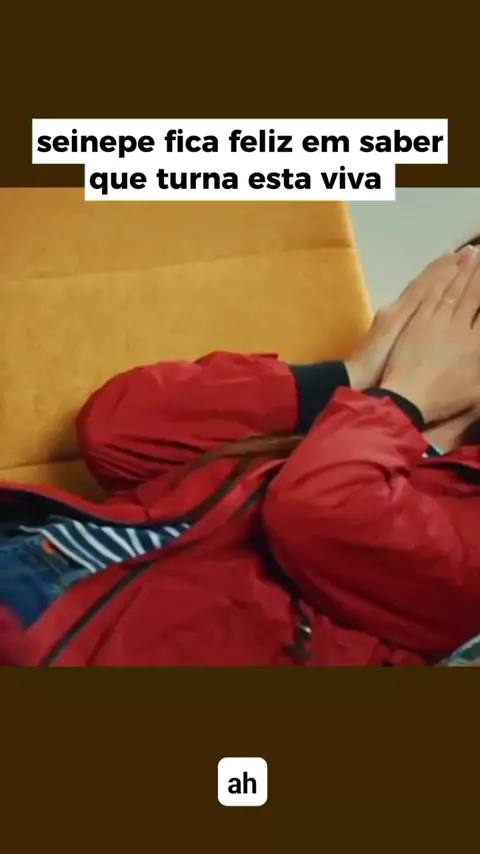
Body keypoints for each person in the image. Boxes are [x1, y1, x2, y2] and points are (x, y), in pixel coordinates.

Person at [2, 239, 480, 667]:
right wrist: (357, 372)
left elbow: (319, 510)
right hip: (33, 555)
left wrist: (407, 395)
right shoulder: (352, 415)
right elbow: (114, 433)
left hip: (69, 644)